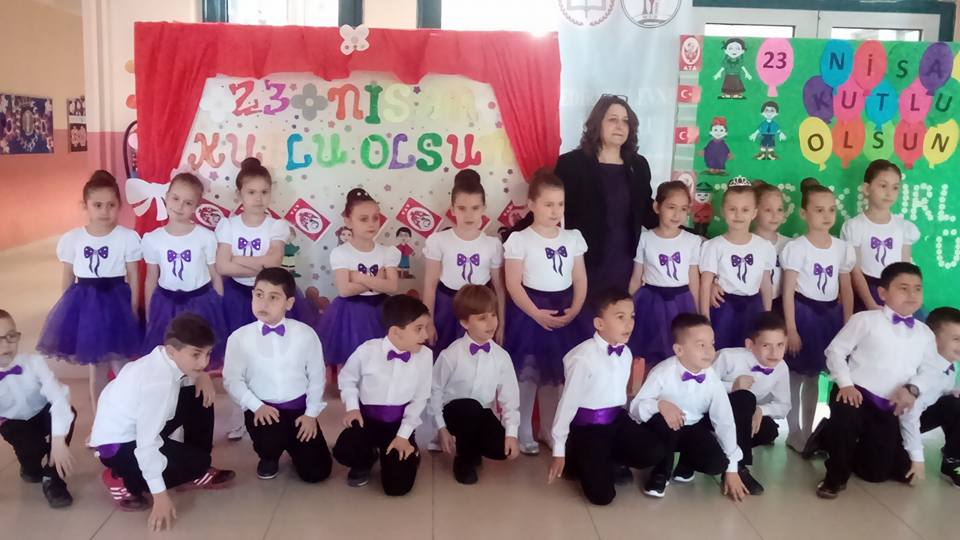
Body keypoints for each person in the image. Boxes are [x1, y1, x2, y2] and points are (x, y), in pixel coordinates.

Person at [91, 313, 235, 531]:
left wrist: (202, 376)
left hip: (135, 426)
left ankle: (195, 467)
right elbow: (147, 443)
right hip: (120, 446)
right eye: (196, 355)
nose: (204, 362)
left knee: (197, 394)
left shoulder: (162, 357)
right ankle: (122, 478)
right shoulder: (158, 384)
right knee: (199, 461)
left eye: (207, 354)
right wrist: (160, 497)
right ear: (172, 350)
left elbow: (183, 383)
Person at [814, 263, 936, 499]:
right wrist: (846, 384)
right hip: (857, 394)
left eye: (917, 289)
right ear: (883, 293)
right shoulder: (865, 320)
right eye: (903, 288)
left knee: (876, 474)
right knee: (846, 419)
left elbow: (930, 371)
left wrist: (912, 389)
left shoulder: (925, 334)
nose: (912, 294)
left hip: (891, 404)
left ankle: (831, 440)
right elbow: (836, 351)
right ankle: (834, 477)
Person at [215, 157, 314, 440]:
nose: (258, 198)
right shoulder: (228, 225)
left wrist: (238, 258)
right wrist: (258, 264)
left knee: (272, 353)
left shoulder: (277, 226)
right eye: (251, 192)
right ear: (239, 195)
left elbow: (273, 264)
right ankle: (239, 415)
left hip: (271, 296)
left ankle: (278, 406)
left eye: (264, 192)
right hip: (236, 297)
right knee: (239, 358)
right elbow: (222, 266)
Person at [37, 170, 142, 412]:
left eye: (111, 205)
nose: (105, 211)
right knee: (97, 368)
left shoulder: (127, 237)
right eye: (98, 205)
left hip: (117, 303)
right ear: (85, 206)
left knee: (122, 365)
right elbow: (68, 276)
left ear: (119, 206)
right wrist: (67, 313)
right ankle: (100, 420)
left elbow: (134, 275)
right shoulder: (73, 239)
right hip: (86, 305)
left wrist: (133, 307)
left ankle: (129, 415)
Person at [548, 289, 664, 505]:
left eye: (631, 317)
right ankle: (578, 455)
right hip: (589, 427)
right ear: (599, 324)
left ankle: (610, 457)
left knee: (652, 451)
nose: (629, 324)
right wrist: (558, 450)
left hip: (616, 419)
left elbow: (619, 396)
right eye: (620, 317)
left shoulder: (626, 352)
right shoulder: (582, 359)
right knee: (602, 497)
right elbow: (567, 405)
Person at [503, 169, 589, 455]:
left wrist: (575, 309)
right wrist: (536, 313)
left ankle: (548, 428)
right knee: (528, 374)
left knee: (555, 375)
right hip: (530, 311)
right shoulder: (519, 240)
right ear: (531, 204)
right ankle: (523, 429)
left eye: (560, 204)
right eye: (548, 204)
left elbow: (579, 277)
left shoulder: (572, 238)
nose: (555, 211)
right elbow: (512, 283)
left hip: (564, 308)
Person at [223, 268, 331, 483]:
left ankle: (295, 446)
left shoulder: (305, 334)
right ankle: (269, 456)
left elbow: (317, 377)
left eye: (273, 297)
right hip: (264, 409)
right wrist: (256, 406)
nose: (263, 303)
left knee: (317, 473)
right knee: (269, 439)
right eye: (259, 295)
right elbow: (232, 380)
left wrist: (311, 415)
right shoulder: (239, 338)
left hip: (299, 409)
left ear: (288, 303)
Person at [630, 313, 749, 500]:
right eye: (701, 345)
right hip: (663, 428)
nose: (709, 351)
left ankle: (687, 463)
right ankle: (661, 469)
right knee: (666, 423)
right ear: (679, 350)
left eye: (712, 344)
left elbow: (724, 420)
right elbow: (635, 408)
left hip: (692, 426)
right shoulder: (663, 372)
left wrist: (732, 469)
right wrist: (659, 405)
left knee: (717, 464)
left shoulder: (712, 379)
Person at [555, 94, 657, 303]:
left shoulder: (638, 165)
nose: (620, 126)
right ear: (596, 124)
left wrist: (688, 234)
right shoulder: (571, 164)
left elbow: (648, 212)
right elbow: (551, 208)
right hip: (584, 262)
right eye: (612, 119)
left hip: (625, 262)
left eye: (625, 121)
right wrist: (514, 234)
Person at [781, 178, 855, 452]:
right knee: (795, 377)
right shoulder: (797, 248)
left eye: (831, 210)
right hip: (803, 315)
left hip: (829, 317)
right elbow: (788, 291)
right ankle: (793, 432)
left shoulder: (841, 248)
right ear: (804, 213)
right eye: (819, 210)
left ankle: (808, 431)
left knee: (814, 378)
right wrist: (791, 328)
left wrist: (848, 328)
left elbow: (846, 290)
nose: (826, 216)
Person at [332, 295, 433, 496]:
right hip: (367, 420)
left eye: (426, 328)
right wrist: (352, 407)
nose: (426, 335)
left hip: (398, 424)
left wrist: (403, 436)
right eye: (419, 329)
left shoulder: (425, 356)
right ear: (395, 331)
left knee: (397, 487)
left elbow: (420, 398)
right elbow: (347, 378)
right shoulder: (367, 350)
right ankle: (366, 458)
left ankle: (409, 451)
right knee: (344, 449)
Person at [431, 285, 520, 484]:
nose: (491, 323)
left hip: (482, 413)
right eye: (482, 318)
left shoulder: (501, 357)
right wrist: (441, 428)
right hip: (454, 412)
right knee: (469, 407)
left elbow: (510, 398)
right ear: (465, 322)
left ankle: (472, 447)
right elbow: (434, 391)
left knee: (501, 448)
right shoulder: (451, 355)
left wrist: (512, 434)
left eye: (493, 315)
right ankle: (464, 460)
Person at [142, 172, 227, 368]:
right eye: (175, 198)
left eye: (188, 203)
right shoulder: (152, 239)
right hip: (166, 305)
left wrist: (219, 306)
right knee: (170, 358)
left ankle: (198, 385)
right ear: (166, 197)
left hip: (201, 304)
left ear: (196, 207)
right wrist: (149, 312)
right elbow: (151, 278)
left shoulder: (205, 237)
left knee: (198, 354)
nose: (180, 206)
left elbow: (215, 274)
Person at [422, 169, 506, 354]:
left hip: (481, 311)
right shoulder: (438, 241)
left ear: (483, 208)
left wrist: (501, 323)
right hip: (446, 309)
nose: (469, 215)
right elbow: (430, 285)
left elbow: (499, 288)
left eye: (475, 208)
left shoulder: (492, 244)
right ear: (452, 209)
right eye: (462, 208)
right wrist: (429, 322)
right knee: (444, 356)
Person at [317, 188, 400, 371]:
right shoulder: (341, 253)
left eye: (375, 218)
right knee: (353, 359)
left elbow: (392, 286)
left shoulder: (387, 252)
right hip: (351, 313)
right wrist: (376, 280)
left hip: (381, 310)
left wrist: (360, 277)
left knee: (381, 359)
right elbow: (344, 290)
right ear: (348, 221)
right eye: (363, 219)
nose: (371, 224)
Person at [0, 309, 76, 508]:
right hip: (13, 421)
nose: (6, 345)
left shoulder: (34, 363)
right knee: (32, 451)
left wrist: (58, 442)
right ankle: (29, 466)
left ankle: (53, 478)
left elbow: (59, 397)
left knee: (68, 412)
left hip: (42, 413)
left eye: (11, 336)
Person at [712, 311, 791, 495]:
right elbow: (702, 387)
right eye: (766, 345)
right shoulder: (727, 357)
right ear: (749, 344)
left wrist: (761, 410)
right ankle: (739, 467)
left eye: (780, 345)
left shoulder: (781, 367)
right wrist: (733, 386)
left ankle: (728, 451)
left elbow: (784, 406)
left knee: (769, 429)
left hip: (743, 417)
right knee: (744, 398)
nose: (774, 353)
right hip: (713, 417)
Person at [627, 180, 702, 370]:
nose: (677, 214)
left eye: (683, 209)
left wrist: (698, 311)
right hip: (650, 301)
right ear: (657, 207)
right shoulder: (645, 238)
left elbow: (694, 279)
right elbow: (636, 277)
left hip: (682, 302)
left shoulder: (692, 241)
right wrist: (628, 306)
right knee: (648, 351)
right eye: (671, 207)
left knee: (679, 349)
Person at [699, 177, 775, 349]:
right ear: (723, 211)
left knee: (750, 352)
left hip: (753, 308)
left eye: (745, 210)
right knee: (721, 351)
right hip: (723, 309)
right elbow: (705, 284)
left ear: (754, 213)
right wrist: (705, 320)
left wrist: (767, 316)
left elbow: (765, 283)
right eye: (732, 209)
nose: (738, 215)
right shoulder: (714, 246)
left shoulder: (763, 246)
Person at [841, 160, 919, 312]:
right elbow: (855, 271)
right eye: (883, 186)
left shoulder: (903, 228)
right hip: (866, 293)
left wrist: (902, 300)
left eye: (895, 187)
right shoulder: (855, 226)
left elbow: (905, 269)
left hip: (896, 293)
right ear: (866, 188)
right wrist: (870, 303)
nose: (889, 193)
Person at [899, 306, 960, 487]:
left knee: (955, 402)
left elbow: (940, 392)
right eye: (956, 339)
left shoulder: (951, 364)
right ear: (932, 339)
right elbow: (908, 415)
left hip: (921, 415)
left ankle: (953, 458)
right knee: (895, 471)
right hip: (898, 418)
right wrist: (917, 457)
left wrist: (952, 393)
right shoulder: (921, 367)